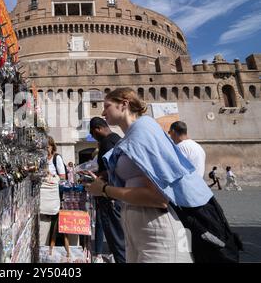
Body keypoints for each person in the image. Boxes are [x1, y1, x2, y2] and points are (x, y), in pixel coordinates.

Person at [85, 88, 214, 263]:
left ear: (124, 104)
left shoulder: (143, 131)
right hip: (139, 232)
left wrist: (105, 190)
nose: (102, 112)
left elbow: (158, 198)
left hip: (157, 233)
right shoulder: (131, 136)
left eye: (107, 106)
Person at [89, 117, 126, 263]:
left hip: (108, 196)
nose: (93, 137)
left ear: (98, 129)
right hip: (114, 195)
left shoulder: (106, 143)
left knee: (117, 240)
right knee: (119, 237)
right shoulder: (117, 139)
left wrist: (96, 178)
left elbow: (110, 170)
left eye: (93, 134)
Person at [39, 136, 66, 246]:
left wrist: (50, 174)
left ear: (52, 147)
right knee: (44, 217)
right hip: (44, 192)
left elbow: (63, 177)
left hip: (54, 193)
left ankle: (53, 241)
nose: (45, 149)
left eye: (47, 147)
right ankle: (44, 241)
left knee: (54, 216)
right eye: (43, 147)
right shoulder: (41, 159)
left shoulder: (56, 158)